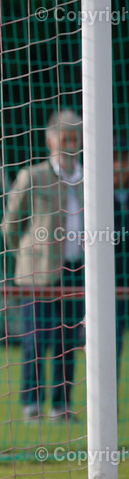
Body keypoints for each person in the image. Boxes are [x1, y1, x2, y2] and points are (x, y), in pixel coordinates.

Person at [3, 109, 84, 422]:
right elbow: (10, 224)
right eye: (64, 138)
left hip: (76, 272)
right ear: (50, 140)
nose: (70, 144)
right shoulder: (32, 176)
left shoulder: (87, 176)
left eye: (74, 138)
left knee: (68, 341)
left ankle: (60, 405)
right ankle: (31, 404)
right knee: (35, 339)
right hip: (37, 275)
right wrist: (27, 257)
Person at [113, 139, 129, 375]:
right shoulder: (94, 197)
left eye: (124, 160)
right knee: (111, 342)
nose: (118, 166)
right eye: (114, 159)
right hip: (110, 285)